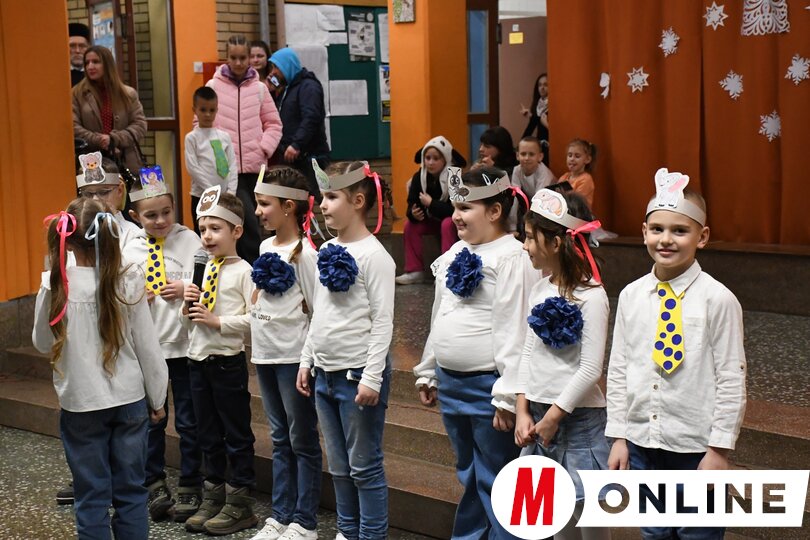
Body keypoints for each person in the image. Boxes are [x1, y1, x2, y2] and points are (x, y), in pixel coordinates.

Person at [606, 168, 747, 540]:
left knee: (697, 533)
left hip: (695, 448)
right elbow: (618, 367)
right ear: (644, 232)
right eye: (657, 229)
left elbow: (731, 377)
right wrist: (619, 436)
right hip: (642, 443)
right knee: (654, 531)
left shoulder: (718, 299)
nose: (666, 239)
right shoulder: (631, 296)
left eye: (680, 231)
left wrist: (719, 449)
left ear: (703, 237)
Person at [33, 197, 168, 540]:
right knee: (132, 491)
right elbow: (148, 347)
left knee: (91, 496)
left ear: (65, 241)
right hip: (129, 400)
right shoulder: (129, 278)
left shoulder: (55, 283)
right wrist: (157, 398)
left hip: (80, 405)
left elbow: (42, 342)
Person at [414, 167, 537, 540]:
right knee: (468, 471)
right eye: (454, 207)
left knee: (498, 475)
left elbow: (517, 329)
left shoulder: (513, 256)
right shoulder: (455, 251)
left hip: (489, 387)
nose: (456, 216)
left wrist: (507, 395)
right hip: (451, 383)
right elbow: (441, 313)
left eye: (466, 207)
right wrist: (428, 369)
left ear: (495, 211)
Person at [297, 161, 395, 540]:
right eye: (322, 196)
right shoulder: (327, 249)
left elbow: (382, 322)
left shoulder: (375, 256)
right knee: (338, 467)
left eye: (331, 197)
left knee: (364, 467)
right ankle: (347, 531)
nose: (322, 204)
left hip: (357, 376)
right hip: (324, 374)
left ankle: (370, 535)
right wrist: (307, 360)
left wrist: (372, 378)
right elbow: (319, 311)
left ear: (357, 201)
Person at [515, 189, 611, 540]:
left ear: (556, 243)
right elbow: (528, 353)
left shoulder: (592, 296)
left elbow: (590, 369)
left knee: (589, 516)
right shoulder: (540, 289)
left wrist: (554, 417)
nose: (524, 246)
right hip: (540, 418)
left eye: (530, 237)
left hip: (577, 423)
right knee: (554, 516)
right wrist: (522, 409)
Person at [122, 169, 205, 524]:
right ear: (135, 216)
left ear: (175, 208)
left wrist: (184, 287)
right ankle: (153, 482)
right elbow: (118, 291)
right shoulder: (129, 248)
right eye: (151, 215)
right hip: (148, 349)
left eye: (166, 212)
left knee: (189, 420)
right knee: (152, 420)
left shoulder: (190, 241)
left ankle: (191, 481)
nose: (160, 221)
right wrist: (135, 294)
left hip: (184, 347)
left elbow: (207, 279)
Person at [180, 187, 258, 535]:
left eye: (215, 229)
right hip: (197, 361)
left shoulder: (245, 271)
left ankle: (240, 501)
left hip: (227, 363)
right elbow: (190, 321)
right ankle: (213, 495)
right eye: (202, 229)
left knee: (235, 434)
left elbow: (255, 319)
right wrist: (187, 308)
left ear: (236, 231)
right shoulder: (202, 268)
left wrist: (218, 322)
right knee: (207, 433)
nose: (207, 236)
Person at [250, 167, 322, 540]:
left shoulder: (306, 255)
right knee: (279, 438)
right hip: (265, 355)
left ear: (289, 207)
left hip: (293, 358)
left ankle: (304, 521)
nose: (258, 211)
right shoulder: (265, 247)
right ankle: (279, 515)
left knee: (302, 440)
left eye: (265, 204)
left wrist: (307, 361)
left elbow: (317, 309)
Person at [205, 34, 283, 264]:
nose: (238, 63)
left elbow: (274, 124)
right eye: (233, 58)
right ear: (226, 57)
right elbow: (202, 125)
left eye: (243, 58)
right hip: (227, 170)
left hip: (255, 169)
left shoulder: (259, 88)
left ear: (249, 57)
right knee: (244, 221)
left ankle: (250, 268)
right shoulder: (213, 86)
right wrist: (218, 157)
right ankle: (250, 267)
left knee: (256, 220)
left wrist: (263, 148)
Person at [396, 135, 465, 285]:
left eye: (436, 158)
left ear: (445, 159)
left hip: (452, 220)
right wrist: (413, 213)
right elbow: (412, 202)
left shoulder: (454, 177)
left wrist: (431, 203)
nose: (431, 162)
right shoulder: (419, 177)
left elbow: (456, 208)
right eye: (427, 158)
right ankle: (414, 270)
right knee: (410, 225)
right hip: (431, 220)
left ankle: (446, 270)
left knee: (447, 224)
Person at [267, 47, 330, 200]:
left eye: (276, 67)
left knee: (321, 198)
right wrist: (271, 90)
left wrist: (297, 144)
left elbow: (311, 118)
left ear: (286, 66)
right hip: (292, 156)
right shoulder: (287, 88)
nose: (273, 72)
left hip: (309, 157)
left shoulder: (308, 87)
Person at [73, 46, 147, 175]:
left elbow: (140, 125)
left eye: (96, 62)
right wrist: (99, 140)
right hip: (91, 163)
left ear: (108, 64)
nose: (90, 66)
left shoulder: (128, 94)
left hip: (126, 162)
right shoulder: (76, 93)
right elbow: (73, 127)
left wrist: (114, 139)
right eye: (87, 63)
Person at [185, 86, 238, 233]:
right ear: (194, 110)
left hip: (225, 196)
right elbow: (193, 168)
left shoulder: (224, 136)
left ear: (217, 110)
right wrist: (212, 191)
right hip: (201, 196)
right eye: (203, 110)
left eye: (212, 110)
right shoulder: (192, 138)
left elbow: (232, 165)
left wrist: (231, 191)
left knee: (224, 231)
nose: (208, 114)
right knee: (203, 232)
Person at [76, 152, 141, 248]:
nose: (95, 199)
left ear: (119, 190)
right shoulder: (76, 233)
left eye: (103, 192)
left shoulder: (133, 235)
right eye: (88, 194)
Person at [520, 73, 549, 165]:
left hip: (551, 145)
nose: (542, 88)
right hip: (540, 143)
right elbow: (532, 125)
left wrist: (546, 124)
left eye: (545, 85)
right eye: (540, 85)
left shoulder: (553, 104)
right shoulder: (537, 104)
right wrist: (521, 144)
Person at [558, 138, 596, 208]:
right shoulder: (564, 177)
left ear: (587, 159)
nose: (572, 159)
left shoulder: (586, 179)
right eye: (570, 155)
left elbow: (576, 202)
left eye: (577, 156)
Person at [69, 23, 90, 87]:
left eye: (82, 46)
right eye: (72, 46)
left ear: (88, 48)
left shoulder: (97, 74)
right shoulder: (57, 74)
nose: (77, 50)